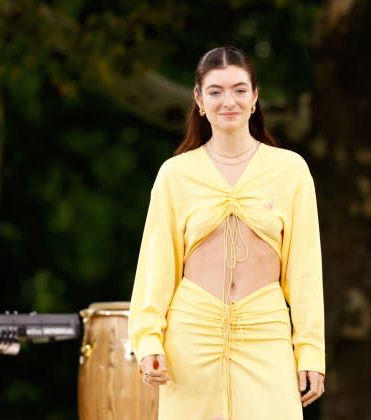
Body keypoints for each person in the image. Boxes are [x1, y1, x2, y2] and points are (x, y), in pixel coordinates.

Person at [128, 45, 325, 420]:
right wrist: (148, 339)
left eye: (238, 89)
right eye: (215, 91)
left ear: (254, 97)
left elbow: (305, 271)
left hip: (266, 333)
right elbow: (156, 265)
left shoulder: (291, 170)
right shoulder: (175, 174)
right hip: (191, 334)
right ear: (199, 101)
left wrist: (311, 351)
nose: (228, 101)